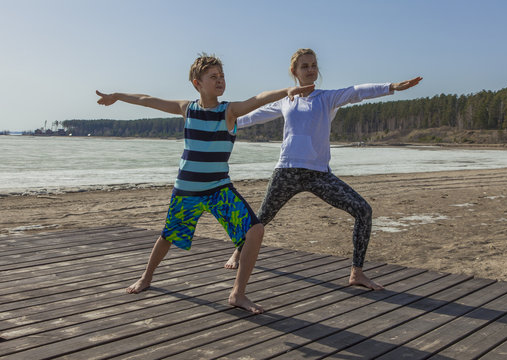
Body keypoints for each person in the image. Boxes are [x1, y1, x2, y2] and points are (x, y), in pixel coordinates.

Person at [96, 54, 314, 314]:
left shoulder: (229, 111)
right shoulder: (187, 109)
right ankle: (146, 277)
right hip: (187, 190)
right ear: (197, 83)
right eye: (214, 77)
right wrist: (117, 95)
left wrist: (286, 91)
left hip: (218, 189)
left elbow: (258, 98)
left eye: (222, 76)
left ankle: (238, 294)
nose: (220, 80)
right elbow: (147, 100)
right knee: (167, 236)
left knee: (255, 231)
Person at [224, 48, 422, 291]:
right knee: (262, 218)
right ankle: (237, 252)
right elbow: (251, 117)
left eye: (313, 65)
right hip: (288, 170)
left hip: (319, 173)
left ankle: (356, 273)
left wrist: (391, 87)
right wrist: (222, 123)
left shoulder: (327, 98)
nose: (310, 70)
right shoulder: (286, 100)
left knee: (363, 211)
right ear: (294, 72)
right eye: (304, 66)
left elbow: (356, 92)